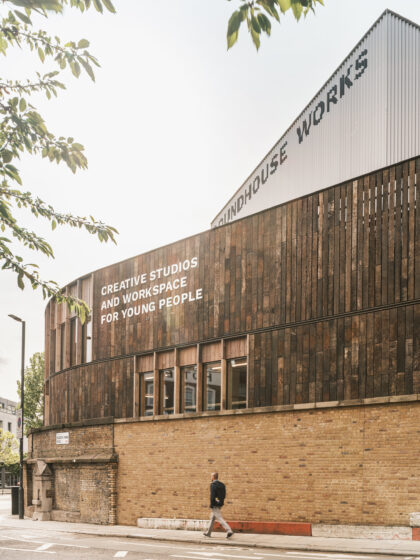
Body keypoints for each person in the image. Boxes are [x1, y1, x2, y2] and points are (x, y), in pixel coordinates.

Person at [203, 472, 233, 538]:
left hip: (215, 504)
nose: (211, 478)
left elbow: (212, 496)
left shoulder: (213, 484)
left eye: (211, 476)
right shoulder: (222, 484)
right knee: (212, 518)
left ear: (213, 477)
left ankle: (229, 530)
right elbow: (224, 495)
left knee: (219, 518)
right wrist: (220, 501)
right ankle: (208, 533)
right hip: (220, 503)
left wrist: (212, 504)